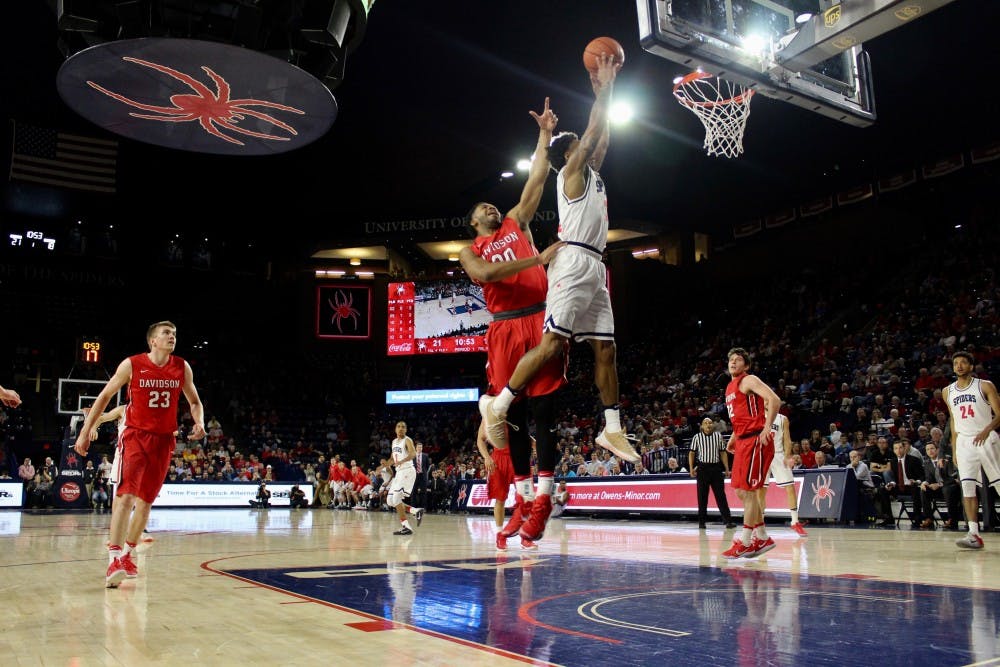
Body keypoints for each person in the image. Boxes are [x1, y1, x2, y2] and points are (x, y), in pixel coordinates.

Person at [478, 54, 640, 468]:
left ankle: (612, 426)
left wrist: (610, 87)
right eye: (577, 147)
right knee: (552, 345)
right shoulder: (569, 173)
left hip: (595, 265)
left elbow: (600, 137)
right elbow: (592, 133)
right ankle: (500, 403)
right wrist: (601, 89)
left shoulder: (590, 173)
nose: (587, 148)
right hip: (571, 263)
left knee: (607, 350)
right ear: (568, 153)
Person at [461, 96, 567, 548]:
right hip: (504, 329)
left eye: (491, 205)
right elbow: (484, 276)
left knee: (544, 411)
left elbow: (538, 179)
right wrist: (535, 259)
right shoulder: (471, 251)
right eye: (483, 207)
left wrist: (544, 134)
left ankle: (541, 498)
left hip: (539, 318)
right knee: (516, 416)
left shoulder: (514, 222)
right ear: (472, 221)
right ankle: (521, 500)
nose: (491, 208)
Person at [73, 320, 206, 588]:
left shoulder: (181, 367)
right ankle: (112, 557)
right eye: (166, 333)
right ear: (152, 341)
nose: (172, 337)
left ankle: (127, 555)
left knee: (146, 502)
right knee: (125, 497)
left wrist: (200, 421)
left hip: (164, 440)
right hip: (135, 436)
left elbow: (194, 401)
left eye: (175, 334)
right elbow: (105, 397)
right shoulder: (132, 364)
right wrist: (86, 431)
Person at [722, 348, 779, 559]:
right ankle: (762, 535)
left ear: (746, 365)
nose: (733, 362)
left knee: (750, 491)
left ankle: (746, 541)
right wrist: (734, 437)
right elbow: (741, 416)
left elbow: (774, 400)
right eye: (731, 359)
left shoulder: (749, 380)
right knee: (740, 491)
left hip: (756, 439)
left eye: (738, 360)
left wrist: (767, 427)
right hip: (743, 440)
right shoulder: (730, 387)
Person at [943, 351, 1000, 549]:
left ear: (971, 366)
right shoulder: (947, 391)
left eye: (963, 362)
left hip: (986, 438)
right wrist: (955, 448)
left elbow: (999, 414)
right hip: (964, 443)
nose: (959, 365)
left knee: (999, 484)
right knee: (967, 488)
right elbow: (953, 421)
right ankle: (973, 534)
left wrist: (987, 430)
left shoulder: (985, 385)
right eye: (955, 363)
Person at [763, 412, 808, 536]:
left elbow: (787, 439)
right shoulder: (757, 415)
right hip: (762, 455)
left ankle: (795, 521)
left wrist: (788, 455)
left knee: (790, 487)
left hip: (778, 454)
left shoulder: (782, 419)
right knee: (761, 490)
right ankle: (760, 524)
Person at [688, 417, 736, 529]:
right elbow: (692, 453)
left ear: (713, 425)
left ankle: (728, 521)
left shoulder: (718, 436)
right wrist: (691, 468)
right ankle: (702, 522)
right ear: (702, 426)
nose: (708, 424)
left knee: (721, 496)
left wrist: (727, 468)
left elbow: (723, 453)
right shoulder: (697, 437)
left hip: (716, 469)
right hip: (702, 469)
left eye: (710, 422)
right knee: (702, 497)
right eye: (705, 423)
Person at [475, 421, 517, 550]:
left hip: (517, 456)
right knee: (500, 499)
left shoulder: (515, 409)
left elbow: (522, 431)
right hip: (498, 459)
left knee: (525, 497)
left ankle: (526, 536)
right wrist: (487, 457)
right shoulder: (489, 413)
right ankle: (500, 535)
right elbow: (480, 440)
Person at [386, 421, 424, 535]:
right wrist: (384, 466)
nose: (401, 428)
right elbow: (392, 458)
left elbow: (413, 454)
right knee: (390, 501)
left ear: (406, 430)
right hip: (399, 473)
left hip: (407, 471)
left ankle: (406, 527)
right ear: (395, 429)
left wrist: (401, 461)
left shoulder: (407, 440)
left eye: (403, 427)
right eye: (398, 426)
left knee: (397, 498)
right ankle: (415, 511)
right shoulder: (393, 442)